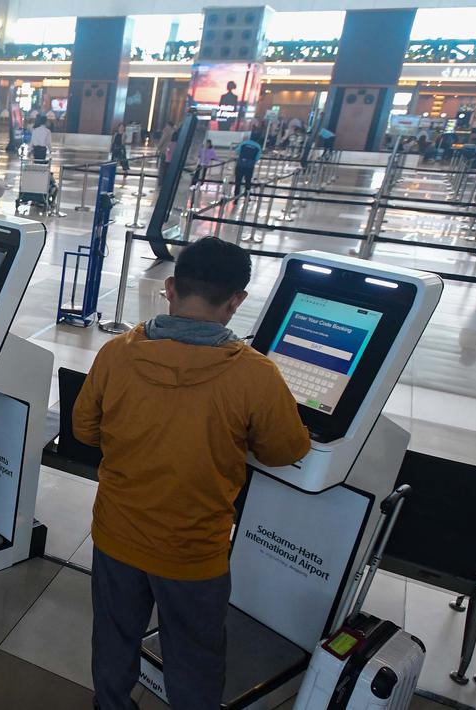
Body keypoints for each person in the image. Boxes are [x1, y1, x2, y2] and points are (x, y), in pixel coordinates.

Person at [73, 237, 310, 708]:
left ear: (171, 287)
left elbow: (84, 429)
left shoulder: (117, 353)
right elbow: (286, 448)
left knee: (115, 636)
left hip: (117, 534)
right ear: (236, 300)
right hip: (192, 552)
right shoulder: (255, 375)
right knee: (195, 655)